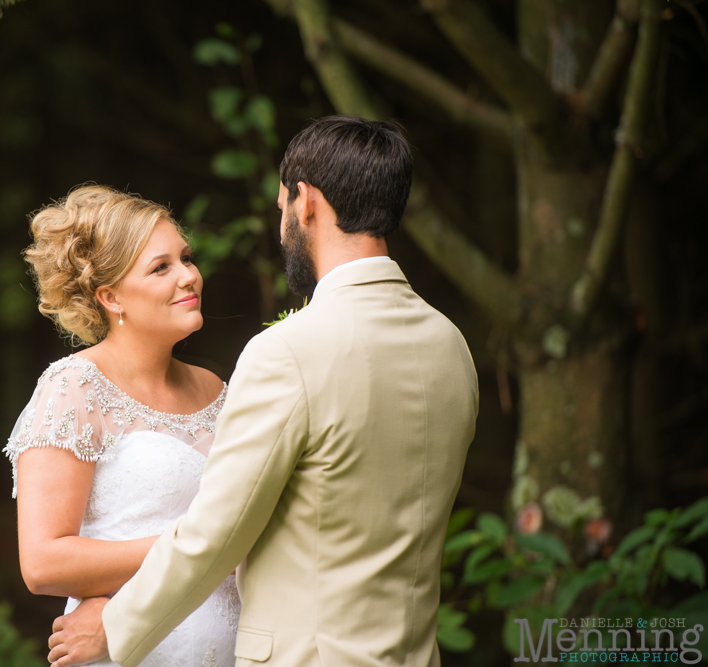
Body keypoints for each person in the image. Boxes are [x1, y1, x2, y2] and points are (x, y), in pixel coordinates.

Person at [47, 115, 479, 667]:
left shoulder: (288, 352)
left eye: (281, 211)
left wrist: (113, 625)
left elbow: (217, 534)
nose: (282, 230)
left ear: (307, 203)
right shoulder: (451, 346)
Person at [3, 184, 241, 667]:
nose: (189, 276)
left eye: (186, 258)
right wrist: (197, 549)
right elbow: (43, 563)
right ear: (111, 297)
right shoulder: (74, 388)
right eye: (161, 267)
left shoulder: (215, 389)